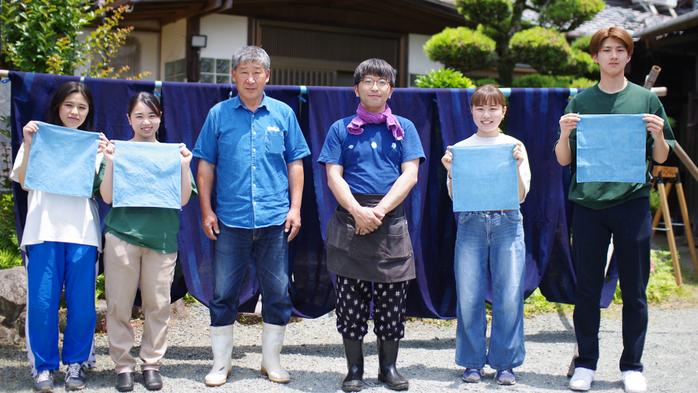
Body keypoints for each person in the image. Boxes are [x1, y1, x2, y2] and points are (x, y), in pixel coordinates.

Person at [555, 26, 674, 393]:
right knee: (587, 288)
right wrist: (562, 133)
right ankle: (586, 363)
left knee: (635, 289)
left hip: (632, 202)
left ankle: (632, 366)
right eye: (605, 50)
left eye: (619, 50)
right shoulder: (580, 102)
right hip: (588, 205)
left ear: (628, 56)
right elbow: (563, 160)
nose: (612, 56)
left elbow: (662, 158)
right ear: (595, 57)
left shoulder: (645, 100)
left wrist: (657, 134)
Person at [193, 45, 310, 387]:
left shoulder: (283, 114)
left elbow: (296, 164)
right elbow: (205, 166)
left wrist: (296, 208)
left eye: (257, 72)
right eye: (243, 71)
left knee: (277, 293)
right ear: (233, 76)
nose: (250, 78)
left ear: (267, 76)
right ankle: (221, 364)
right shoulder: (218, 114)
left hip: (276, 221)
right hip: (230, 221)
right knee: (223, 293)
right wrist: (206, 210)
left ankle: (271, 362)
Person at [318, 58, 425, 392]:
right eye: (368, 81)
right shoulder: (340, 128)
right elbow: (333, 174)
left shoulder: (405, 127)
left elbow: (411, 173)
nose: (375, 87)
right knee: (350, 301)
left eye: (382, 82)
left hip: (389, 218)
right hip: (351, 219)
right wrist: (358, 212)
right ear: (356, 88)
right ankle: (354, 370)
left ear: (390, 89)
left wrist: (377, 211)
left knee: (392, 302)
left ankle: (388, 368)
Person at [10, 81, 107, 392]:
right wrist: (26, 142)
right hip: (42, 229)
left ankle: (77, 364)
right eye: (69, 105)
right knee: (42, 302)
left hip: (83, 232)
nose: (75, 112)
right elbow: (24, 183)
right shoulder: (39, 139)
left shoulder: (95, 146)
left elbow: (104, 193)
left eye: (81, 107)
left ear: (89, 111)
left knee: (82, 304)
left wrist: (108, 157)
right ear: (57, 107)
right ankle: (43, 367)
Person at [97, 92, 195, 392]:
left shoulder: (172, 154)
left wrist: (184, 165)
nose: (146, 121)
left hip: (162, 238)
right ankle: (123, 365)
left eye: (151, 115)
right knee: (118, 305)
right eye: (139, 116)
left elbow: (183, 198)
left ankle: (151, 362)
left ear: (160, 118)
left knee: (159, 305)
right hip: (121, 235)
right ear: (129, 119)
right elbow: (108, 197)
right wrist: (111, 162)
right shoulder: (118, 151)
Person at [441, 84, 531, 386]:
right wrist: (451, 171)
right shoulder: (460, 148)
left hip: (507, 222)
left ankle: (506, 363)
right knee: (468, 295)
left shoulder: (514, 145)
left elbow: (520, 195)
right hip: (471, 224)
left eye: (493, 108)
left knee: (508, 294)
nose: (487, 114)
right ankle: (472, 362)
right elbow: (456, 198)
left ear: (503, 111)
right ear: (471, 112)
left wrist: (518, 165)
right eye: (480, 108)